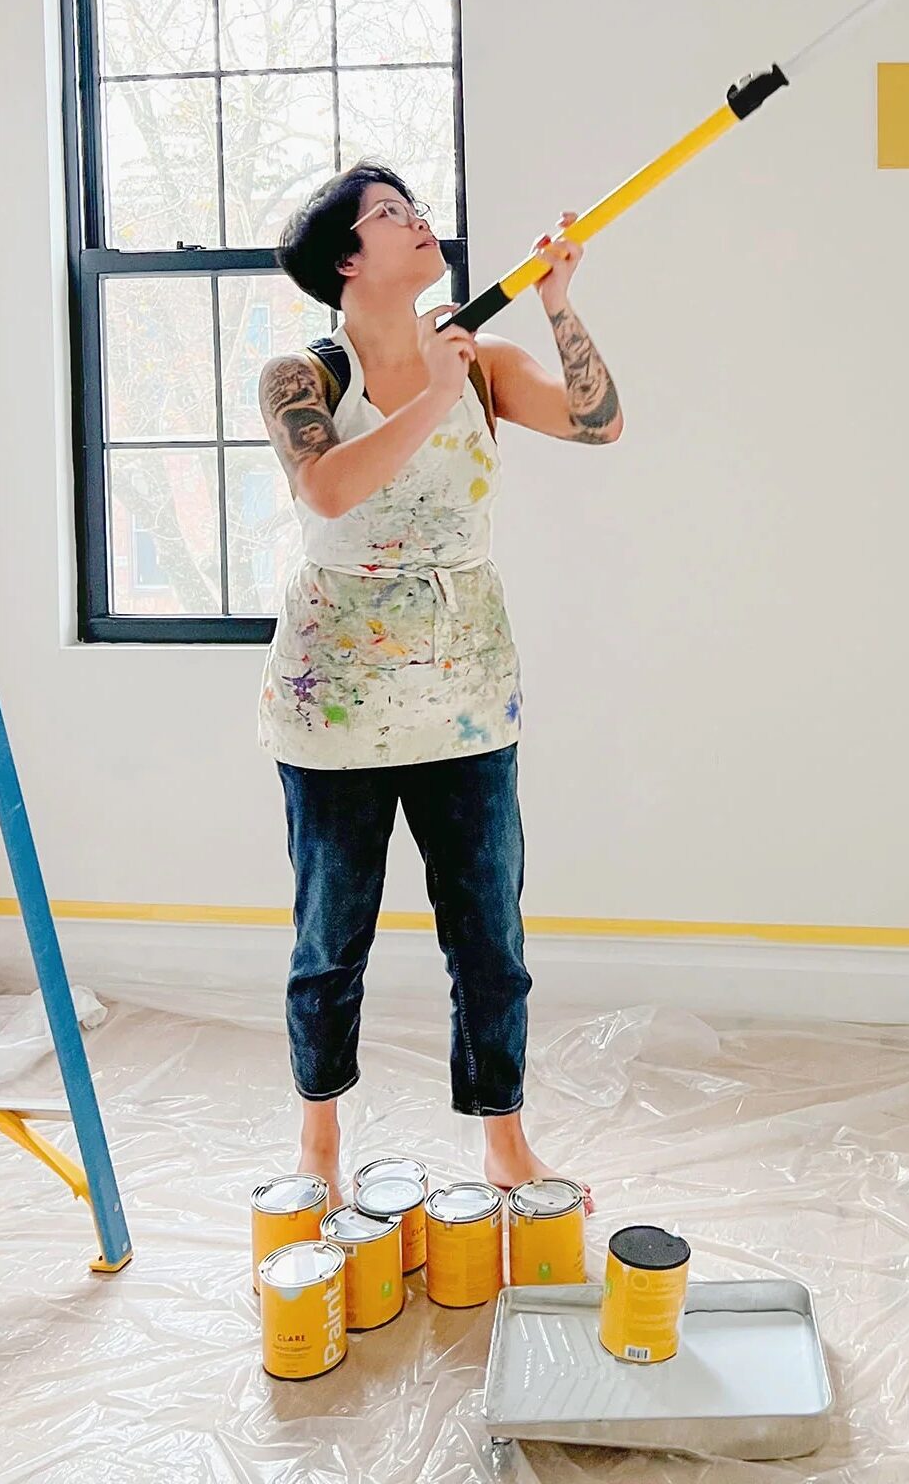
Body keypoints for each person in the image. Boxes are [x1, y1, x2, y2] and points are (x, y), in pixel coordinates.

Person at [257, 162, 622, 1206]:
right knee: (331, 936)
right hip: (336, 703)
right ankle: (319, 1140)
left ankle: (506, 1138)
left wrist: (557, 306)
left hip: (466, 686)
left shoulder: (483, 353)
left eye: (415, 206)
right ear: (345, 258)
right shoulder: (303, 375)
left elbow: (600, 424)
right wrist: (438, 389)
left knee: (488, 933)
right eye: (389, 214)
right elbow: (328, 486)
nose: (418, 221)